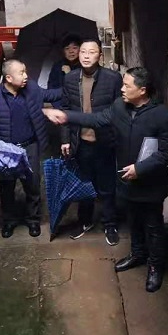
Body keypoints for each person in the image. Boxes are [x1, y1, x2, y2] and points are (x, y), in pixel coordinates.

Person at [43, 67, 168, 293]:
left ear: (142, 90)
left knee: (153, 226)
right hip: (126, 180)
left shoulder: (163, 116)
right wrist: (67, 116)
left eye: (127, 85)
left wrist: (140, 169)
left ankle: (155, 266)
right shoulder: (119, 107)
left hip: (150, 185)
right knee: (133, 221)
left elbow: (167, 153)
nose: (122, 89)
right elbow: (96, 119)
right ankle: (137, 254)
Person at [0, 59, 62, 239]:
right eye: (21, 73)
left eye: (25, 71)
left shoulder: (31, 88)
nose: (26, 76)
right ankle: (9, 221)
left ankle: (33, 220)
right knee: (7, 187)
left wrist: (74, 82)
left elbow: (50, 95)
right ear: (9, 78)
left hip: (30, 146)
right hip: (6, 151)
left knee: (33, 185)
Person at [59, 39, 123, 245]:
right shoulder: (70, 78)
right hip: (80, 142)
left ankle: (110, 224)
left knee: (107, 185)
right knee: (83, 184)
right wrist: (65, 139)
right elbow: (65, 110)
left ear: (100, 56)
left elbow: (120, 110)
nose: (86, 56)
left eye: (91, 52)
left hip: (105, 142)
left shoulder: (113, 78)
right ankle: (84, 221)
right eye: (83, 52)